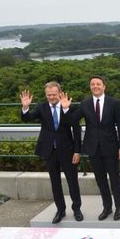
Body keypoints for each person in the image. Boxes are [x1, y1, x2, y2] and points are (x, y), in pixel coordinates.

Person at [20, 82, 83, 224]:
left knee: (73, 182)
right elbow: (27, 118)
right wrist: (25, 107)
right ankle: (60, 210)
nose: (51, 97)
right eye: (49, 95)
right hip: (49, 151)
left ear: (60, 93)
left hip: (68, 151)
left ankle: (77, 209)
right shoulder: (41, 107)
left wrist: (77, 151)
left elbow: (76, 130)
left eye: (54, 94)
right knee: (55, 183)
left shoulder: (69, 107)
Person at [71, 75, 120, 221]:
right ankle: (107, 207)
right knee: (100, 180)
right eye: (92, 84)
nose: (95, 86)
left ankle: (119, 207)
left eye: (98, 84)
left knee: (115, 179)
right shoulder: (85, 104)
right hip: (93, 148)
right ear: (90, 87)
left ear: (104, 86)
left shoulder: (114, 103)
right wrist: (66, 108)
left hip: (111, 147)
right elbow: (72, 120)